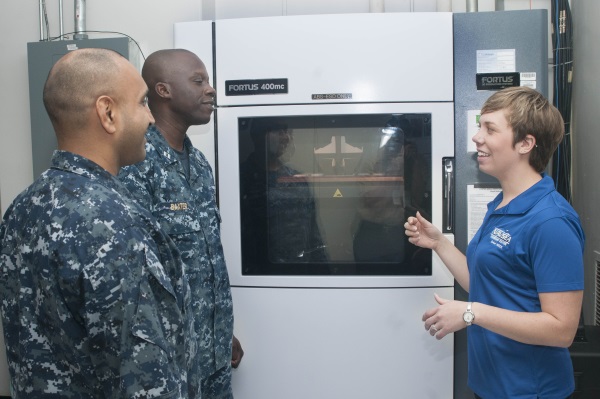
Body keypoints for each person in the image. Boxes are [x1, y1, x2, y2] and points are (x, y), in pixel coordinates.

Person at [0, 48, 195, 397]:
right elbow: (144, 378)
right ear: (107, 113)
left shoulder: (21, 209)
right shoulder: (116, 223)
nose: (151, 118)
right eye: (141, 103)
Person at [405, 86, 584, 399]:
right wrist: (439, 244)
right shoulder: (502, 204)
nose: (477, 137)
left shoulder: (551, 222)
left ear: (526, 143)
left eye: (490, 128)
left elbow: (561, 329)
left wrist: (470, 313)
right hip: (491, 385)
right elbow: (487, 284)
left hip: (531, 390)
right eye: (479, 126)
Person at [119, 49, 242, 399]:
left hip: (212, 354)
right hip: (169, 363)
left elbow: (203, 260)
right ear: (163, 90)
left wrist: (220, 334)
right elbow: (136, 276)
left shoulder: (199, 164)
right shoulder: (137, 164)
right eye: (199, 80)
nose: (211, 90)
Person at [239, 118, 328, 273]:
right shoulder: (240, 177)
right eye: (278, 131)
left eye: (287, 131)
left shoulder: (296, 179)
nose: (285, 137)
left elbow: (313, 233)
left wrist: (324, 271)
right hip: (257, 279)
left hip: (301, 275)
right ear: (258, 134)